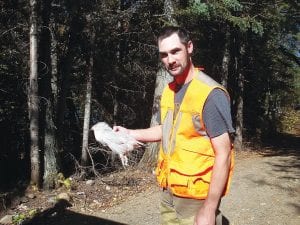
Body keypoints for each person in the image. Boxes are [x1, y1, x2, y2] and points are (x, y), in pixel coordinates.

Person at [113, 26, 235, 225]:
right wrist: (130, 133)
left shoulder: (210, 94)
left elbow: (224, 153)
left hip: (196, 197)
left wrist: (209, 208)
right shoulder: (170, 90)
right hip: (169, 189)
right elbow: (167, 129)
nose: (170, 60)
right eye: (164, 54)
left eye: (175, 51)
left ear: (189, 47)